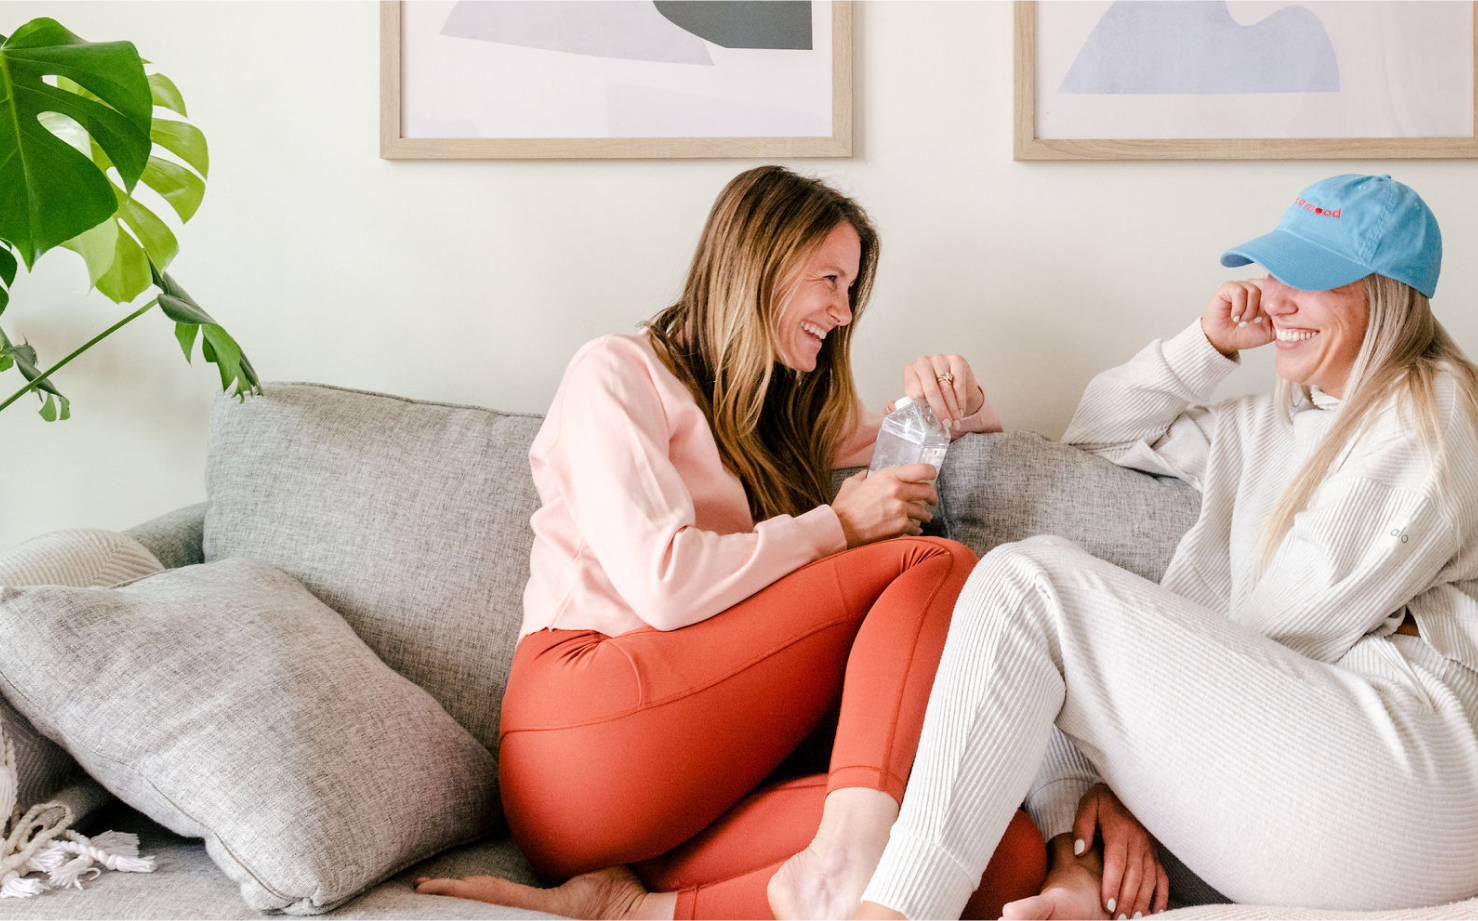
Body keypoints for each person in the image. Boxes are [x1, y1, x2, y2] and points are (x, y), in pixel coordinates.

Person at [415, 166, 1098, 920]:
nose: (843, 311)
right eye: (830, 280)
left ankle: (634, 911)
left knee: (996, 855)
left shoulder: (781, 415)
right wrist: (836, 525)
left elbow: (934, 435)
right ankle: (848, 852)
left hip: (691, 788)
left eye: (852, 290)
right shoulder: (617, 372)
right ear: (760, 265)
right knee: (931, 562)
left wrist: (956, 395)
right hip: (585, 730)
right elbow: (665, 582)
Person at [822, 174, 1478, 921]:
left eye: (1306, 279)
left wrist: (1137, 769)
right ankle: (1073, 866)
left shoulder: (1442, 407)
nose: (1275, 297)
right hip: (1314, 781)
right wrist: (1207, 345)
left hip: (1416, 776)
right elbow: (1098, 437)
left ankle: (890, 911)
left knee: (1026, 586)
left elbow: (1295, 616)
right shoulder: (1280, 418)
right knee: (1024, 615)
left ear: (1384, 292)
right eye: (1274, 270)